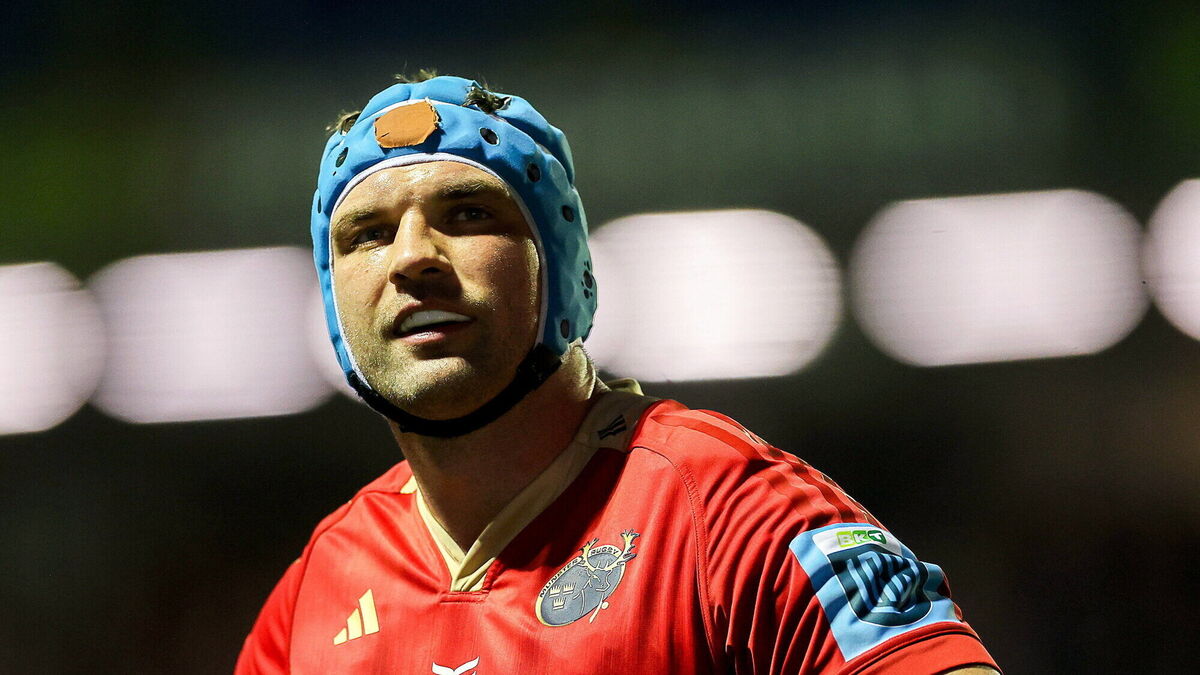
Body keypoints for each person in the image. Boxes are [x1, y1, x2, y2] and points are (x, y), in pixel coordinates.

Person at [235, 73, 1000, 674]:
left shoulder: (730, 513)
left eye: (468, 213)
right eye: (367, 234)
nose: (412, 258)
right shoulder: (314, 591)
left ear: (561, 268)